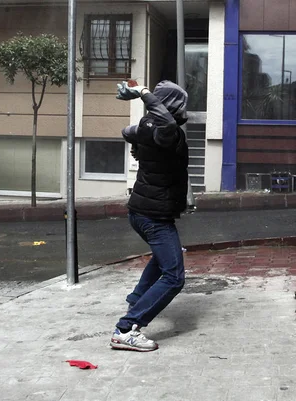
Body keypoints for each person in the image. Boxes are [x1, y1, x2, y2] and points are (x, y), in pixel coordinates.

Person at [109, 80, 190, 352]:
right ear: (171, 107)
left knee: (164, 256)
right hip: (154, 217)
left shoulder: (147, 127)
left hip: (141, 212)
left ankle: (137, 298)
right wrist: (143, 92)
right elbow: (165, 124)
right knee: (174, 276)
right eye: (180, 105)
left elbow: (125, 131)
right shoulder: (169, 132)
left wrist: (137, 145)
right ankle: (126, 328)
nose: (184, 110)